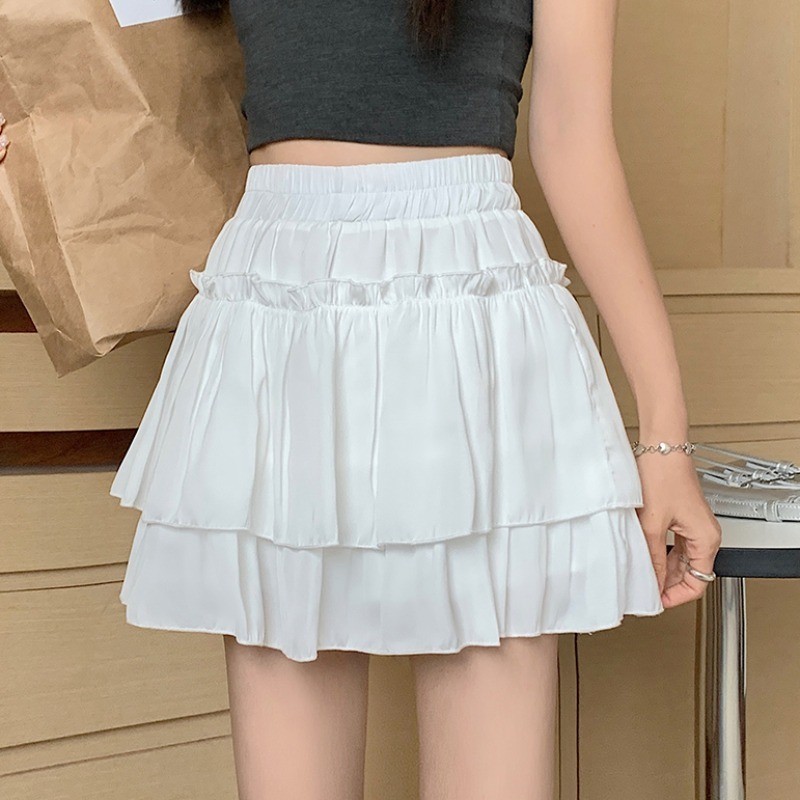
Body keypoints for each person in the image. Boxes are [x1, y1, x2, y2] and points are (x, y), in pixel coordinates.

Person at [107, 1, 723, 798]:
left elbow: (573, 135)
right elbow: (92, 47)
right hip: (278, 299)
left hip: (469, 294)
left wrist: (666, 438)